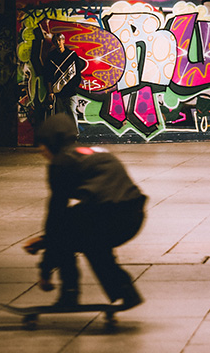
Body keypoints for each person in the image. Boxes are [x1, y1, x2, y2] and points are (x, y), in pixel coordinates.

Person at [23, 113, 147, 309]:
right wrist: (46, 239)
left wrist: (45, 268)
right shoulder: (94, 151)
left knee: (65, 234)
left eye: (42, 145)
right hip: (134, 213)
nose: (41, 151)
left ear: (53, 143)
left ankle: (69, 294)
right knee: (92, 242)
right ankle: (125, 290)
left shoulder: (61, 163)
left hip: (108, 213)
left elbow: (56, 215)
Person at [44, 33, 86, 131]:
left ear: (63, 41)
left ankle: (75, 135)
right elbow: (48, 76)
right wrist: (50, 92)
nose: (58, 43)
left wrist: (73, 87)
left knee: (72, 113)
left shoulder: (72, 55)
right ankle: (62, 135)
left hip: (71, 92)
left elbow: (77, 74)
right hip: (58, 93)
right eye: (55, 41)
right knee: (60, 116)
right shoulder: (51, 58)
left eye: (59, 40)